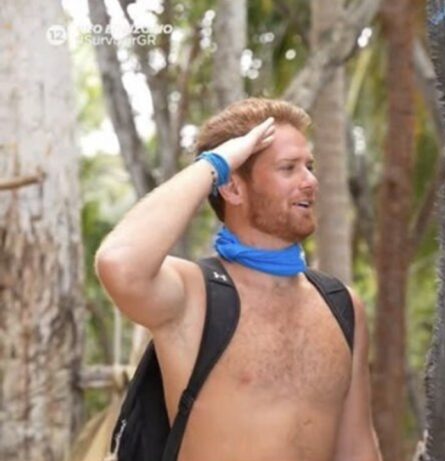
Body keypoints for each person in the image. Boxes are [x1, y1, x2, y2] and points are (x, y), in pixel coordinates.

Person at [95, 98, 382, 461]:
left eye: (309, 167)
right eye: (288, 168)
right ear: (232, 188)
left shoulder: (341, 306)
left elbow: (358, 450)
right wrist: (216, 164)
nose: (310, 181)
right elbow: (119, 263)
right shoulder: (194, 296)